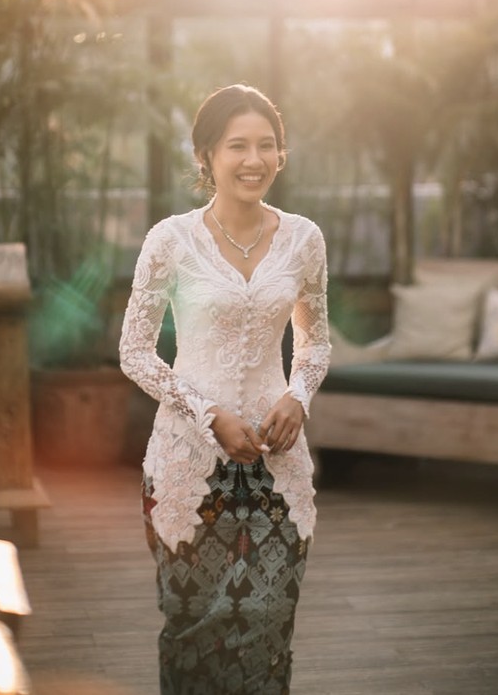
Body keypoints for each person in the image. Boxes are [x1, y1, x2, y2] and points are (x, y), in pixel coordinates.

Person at [119, 84, 331, 695]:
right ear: (207, 154)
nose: (253, 159)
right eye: (237, 145)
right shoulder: (170, 240)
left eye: (267, 145)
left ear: (282, 156)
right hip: (187, 463)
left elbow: (315, 340)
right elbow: (135, 351)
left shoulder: (303, 239)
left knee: (269, 623)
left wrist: (299, 395)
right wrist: (208, 415)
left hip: (278, 463)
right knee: (192, 626)